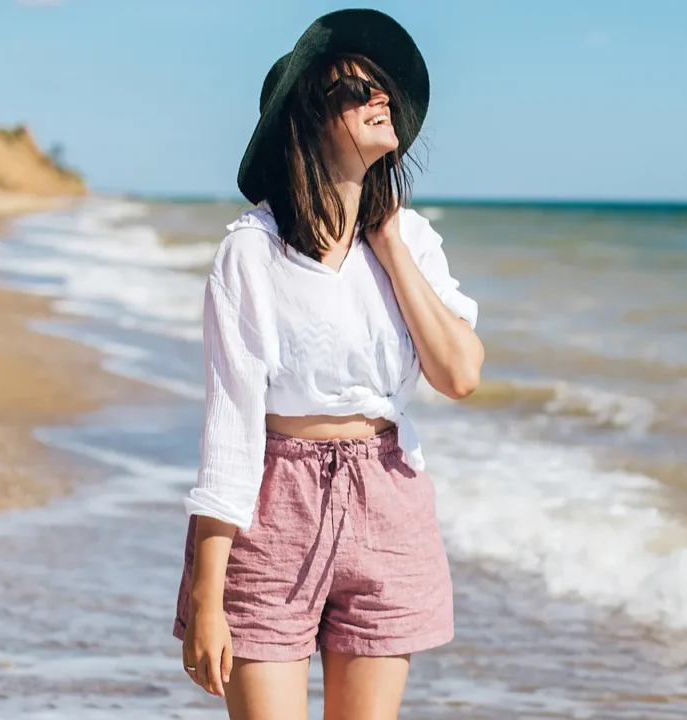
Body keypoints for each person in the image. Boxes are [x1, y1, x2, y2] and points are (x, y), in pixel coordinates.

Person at [173, 9, 484, 718]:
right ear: (308, 118)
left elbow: (460, 373)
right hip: (273, 506)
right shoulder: (251, 253)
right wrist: (206, 592)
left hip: (388, 496)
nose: (383, 100)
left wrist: (390, 243)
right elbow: (230, 430)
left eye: (386, 91)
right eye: (357, 90)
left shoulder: (412, 240)